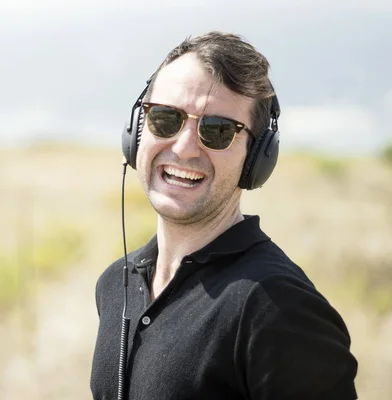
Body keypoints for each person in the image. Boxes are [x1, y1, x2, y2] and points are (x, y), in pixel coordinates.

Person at [90, 32, 358, 400]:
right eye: (166, 119)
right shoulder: (114, 286)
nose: (184, 148)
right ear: (137, 131)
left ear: (256, 158)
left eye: (217, 131)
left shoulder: (280, 309)